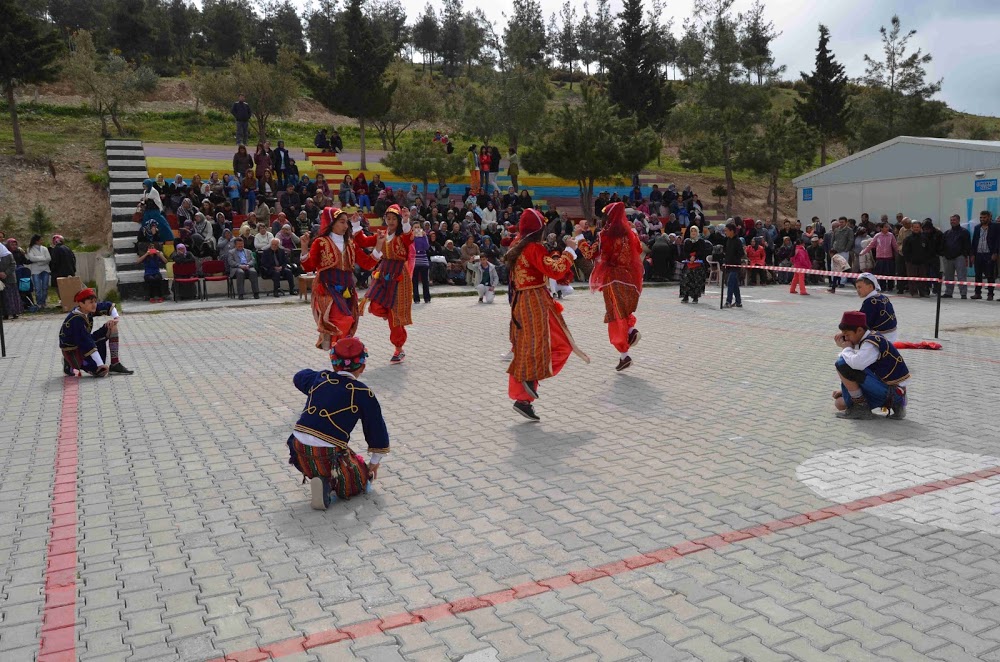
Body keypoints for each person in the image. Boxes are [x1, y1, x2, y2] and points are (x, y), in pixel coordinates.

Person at [504, 208, 589, 421]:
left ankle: (524, 399)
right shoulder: (532, 248)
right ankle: (531, 376)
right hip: (535, 302)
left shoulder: (518, 244)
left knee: (528, 347)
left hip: (522, 303)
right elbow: (556, 270)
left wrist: (562, 249)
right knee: (561, 344)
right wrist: (570, 251)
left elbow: (544, 263)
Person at [286, 337, 389, 510]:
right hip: (328, 452)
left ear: (333, 364)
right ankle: (330, 483)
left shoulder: (320, 378)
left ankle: (318, 476)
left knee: (322, 457)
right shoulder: (363, 393)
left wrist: (322, 380)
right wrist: (374, 462)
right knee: (359, 479)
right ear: (363, 367)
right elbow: (376, 429)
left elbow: (299, 376)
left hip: (297, 448)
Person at [300, 207, 376, 350]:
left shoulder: (351, 243)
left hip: (347, 289)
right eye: (342, 222)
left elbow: (367, 263)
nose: (345, 226)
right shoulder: (321, 242)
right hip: (327, 289)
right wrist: (304, 248)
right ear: (331, 223)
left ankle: (339, 353)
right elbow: (308, 266)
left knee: (348, 322)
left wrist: (379, 247)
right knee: (344, 320)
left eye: (346, 222)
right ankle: (341, 352)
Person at [580, 202, 643, 372]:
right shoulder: (630, 234)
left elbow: (589, 254)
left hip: (612, 279)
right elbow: (638, 249)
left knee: (615, 316)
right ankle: (631, 331)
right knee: (622, 311)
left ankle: (625, 353)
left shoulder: (605, 235)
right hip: (629, 278)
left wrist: (579, 239)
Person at [355, 205, 414, 364]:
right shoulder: (382, 235)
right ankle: (390, 314)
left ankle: (399, 349)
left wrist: (406, 220)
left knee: (394, 317)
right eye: (388, 218)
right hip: (383, 272)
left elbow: (409, 237)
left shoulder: (403, 236)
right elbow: (363, 241)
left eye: (394, 218)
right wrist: (356, 224)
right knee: (374, 306)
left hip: (398, 275)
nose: (391, 221)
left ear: (399, 221)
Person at [832, 311, 909, 420]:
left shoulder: (870, 344)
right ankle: (897, 406)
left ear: (859, 330)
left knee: (841, 364)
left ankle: (860, 408)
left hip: (890, 393)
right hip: (893, 391)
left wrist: (846, 348)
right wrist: (844, 391)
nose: (846, 338)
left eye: (847, 335)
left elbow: (856, 364)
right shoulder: (870, 337)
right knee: (840, 403)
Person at [58, 288, 134, 377]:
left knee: (112, 327)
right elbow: (87, 343)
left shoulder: (87, 309)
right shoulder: (76, 320)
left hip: (86, 342)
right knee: (101, 372)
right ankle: (69, 364)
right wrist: (100, 364)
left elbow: (108, 306)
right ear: (81, 304)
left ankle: (115, 364)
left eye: (95, 301)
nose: (94, 304)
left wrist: (116, 318)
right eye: (91, 302)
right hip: (74, 350)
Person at [854, 273, 897, 342]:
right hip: (892, 335)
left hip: (881, 337)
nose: (857, 290)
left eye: (860, 287)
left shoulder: (870, 302)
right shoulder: (883, 297)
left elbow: (864, 324)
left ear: (870, 286)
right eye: (857, 288)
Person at [971, 210, 999, 300]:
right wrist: (972, 254)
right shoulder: (977, 227)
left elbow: (998, 241)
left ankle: (990, 294)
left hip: (989, 254)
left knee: (990, 275)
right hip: (978, 254)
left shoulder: (995, 227)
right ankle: (977, 293)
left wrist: (995, 252)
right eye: (981, 217)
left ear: (989, 217)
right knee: (978, 275)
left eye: (984, 217)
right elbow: (974, 241)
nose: (982, 219)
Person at [942, 214, 972, 299]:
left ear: (958, 220)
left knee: (961, 276)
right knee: (948, 276)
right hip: (948, 258)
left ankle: (963, 294)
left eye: (954, 220)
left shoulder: (964, 232)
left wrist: (965, 255)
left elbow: (968, 245)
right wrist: (944, 254)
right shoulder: (947, 233)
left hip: (960, 257)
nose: (952, 221)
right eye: (951, 220)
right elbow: (943, 245)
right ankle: (948, 292)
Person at [679, 226, 709, 303]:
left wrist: (695, 257)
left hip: (698, 265)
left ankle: (695, 297)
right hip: (688, 264)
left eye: (695, 231)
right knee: (686, 281)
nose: (693, 233)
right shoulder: (687, 241)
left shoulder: (701, 241)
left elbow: (702, 251)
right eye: (692, 231)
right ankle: (685, 297)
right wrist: (689, 258)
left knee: (696, 281)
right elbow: (684, 252)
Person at [723, 222, 745, 308]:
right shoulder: (728, 240)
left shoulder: (737, 241)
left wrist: (734, 258)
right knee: (734, 284)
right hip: (729, 265)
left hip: (735, 266)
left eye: (727, 230)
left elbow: (741, 253)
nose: (725, 232)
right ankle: (738, 302)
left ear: (732, 231)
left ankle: (728, 301)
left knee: (730, 282)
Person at [26, 235, 51, 310]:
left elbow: (48, 258)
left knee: (45, 287)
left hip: (45, 269)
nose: (41, 241)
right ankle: (39, 303)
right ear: (36, 241)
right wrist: (43, 258)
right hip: (35, 270)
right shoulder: (30, 249)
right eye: (40, 240)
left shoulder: (44, 248)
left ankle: (43, 302)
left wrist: (39, 261)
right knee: (38, 288)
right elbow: (32, 258)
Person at [0, 239, 23, 320]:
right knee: (3, 298)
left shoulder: (8, 255)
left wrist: (5, 273)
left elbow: (13, 265)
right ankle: (5, 314)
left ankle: (14, 312)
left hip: (10, 278)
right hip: (1, 279)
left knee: (12, 296)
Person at [412, 225, 431, 304]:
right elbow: (412, 247)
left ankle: (427, 298)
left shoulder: (424, 236)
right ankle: (416, 298)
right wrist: (413, 237)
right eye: (415, 227)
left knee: (425, 281)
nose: (417, 229)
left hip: (423, 261)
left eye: (418, 227)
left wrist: (424, 237)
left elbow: (426, 247)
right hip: (414, 261)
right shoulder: (411, 237)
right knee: (415, 281)